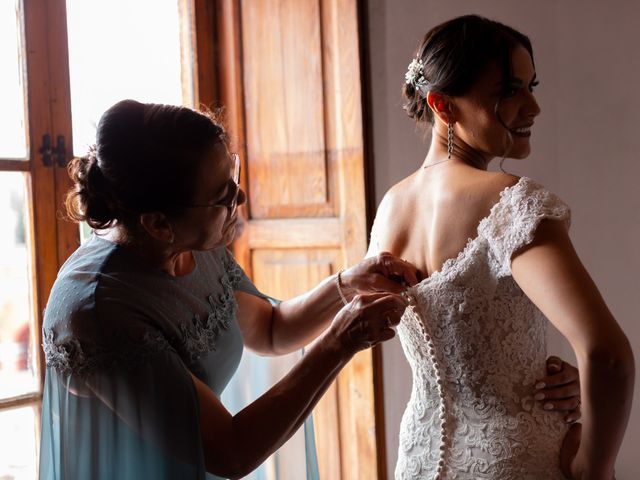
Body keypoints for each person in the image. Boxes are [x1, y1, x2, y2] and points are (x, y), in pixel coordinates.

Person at [39, 100, 419, 480]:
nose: (239, 198)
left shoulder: (191, 245)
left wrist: (347, 284)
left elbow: (271, 329)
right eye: (222, 195)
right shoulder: (98, 309)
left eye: (233, 176)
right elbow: (231, 452)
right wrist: (340, 340)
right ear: (157, 223)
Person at [368, 15, 635, 480]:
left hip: (417, 459)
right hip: (517, 463)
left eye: (531, 86)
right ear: (443, 105)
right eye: (510, 91)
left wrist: (547, 378)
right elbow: (608, 354)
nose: (533, 106)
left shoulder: (391, 207)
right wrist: (595, 466)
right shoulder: (512, 203)